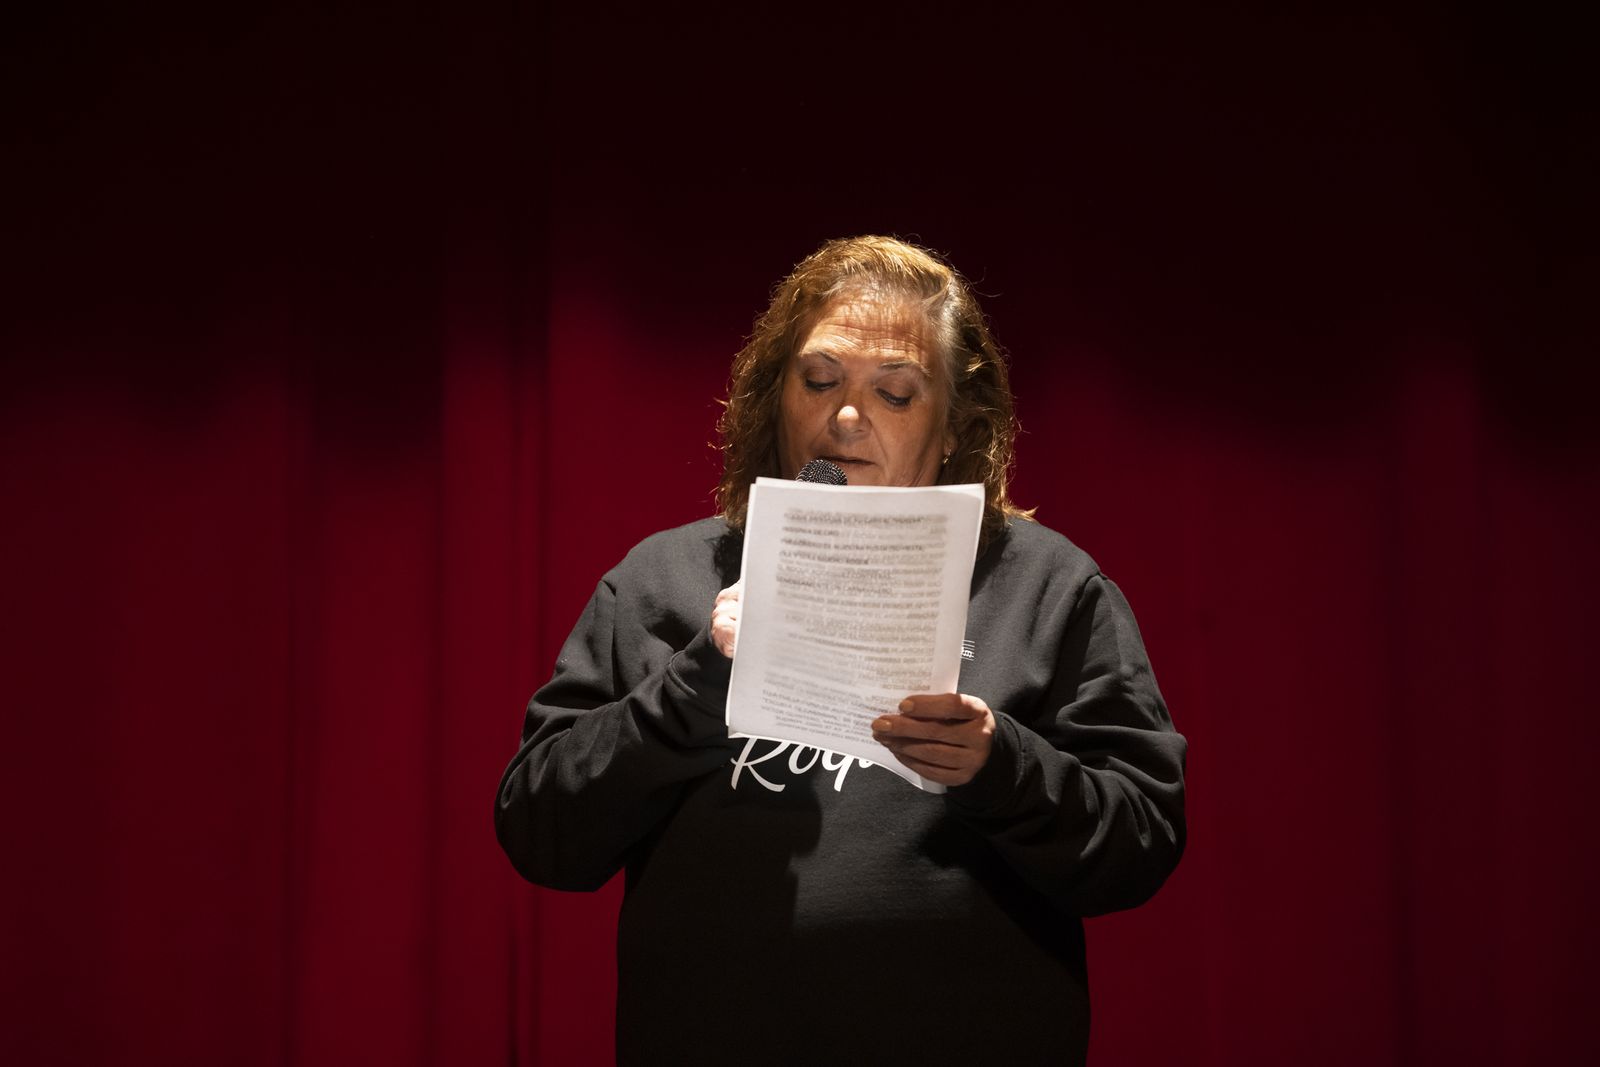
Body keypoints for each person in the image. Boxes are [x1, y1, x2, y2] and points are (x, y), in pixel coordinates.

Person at [495, 236, 1186, 1065]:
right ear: (774, 398)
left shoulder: (1048, 587)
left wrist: (1001, 767)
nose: (847, 416)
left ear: (955, 425)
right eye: (819, 381)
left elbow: (1141, 840)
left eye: (894, 392)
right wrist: (692, 689)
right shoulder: (663, 580)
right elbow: (541, 831)